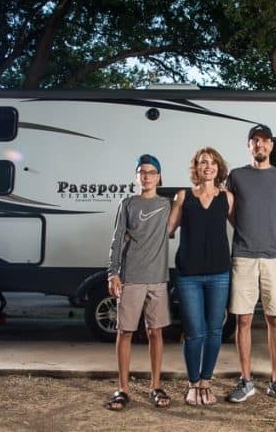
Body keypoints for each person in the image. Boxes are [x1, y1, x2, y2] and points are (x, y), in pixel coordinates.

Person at [225, 124, 276, 403]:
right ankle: (246, 380)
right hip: (243, 255)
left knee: (275, 320)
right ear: (249, 145)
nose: (260, 146)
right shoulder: (237, 176)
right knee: (243, 320)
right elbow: (230, 211)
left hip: (273, 256)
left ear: (271, 146)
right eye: (255, 141)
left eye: (265, 141)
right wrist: (245, 227)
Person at [167, 147, 234, 406]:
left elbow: (243, 226)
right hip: (188, 275)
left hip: (219, 273)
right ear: (196, 168)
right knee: (194, 332)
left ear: (219, 168)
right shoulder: (183, 196)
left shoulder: (227, 197)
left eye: (213, 162)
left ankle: (207, 381)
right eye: (203, 162)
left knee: (214, 331)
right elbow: (168, 229)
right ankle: (193, 385)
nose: (208, 166)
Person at [105, 154, 172, 411]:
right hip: (131, 278)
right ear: (136, 176)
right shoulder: (128, 204)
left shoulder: (167, 205)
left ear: (159, 177)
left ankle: (156, 386)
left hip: (158, 280)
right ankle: (122, 388)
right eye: (142, 172)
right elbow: (117, 239)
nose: (146, 176)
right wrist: (113, 273)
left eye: (152, 172)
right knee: (125, 332)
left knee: (156, 332)